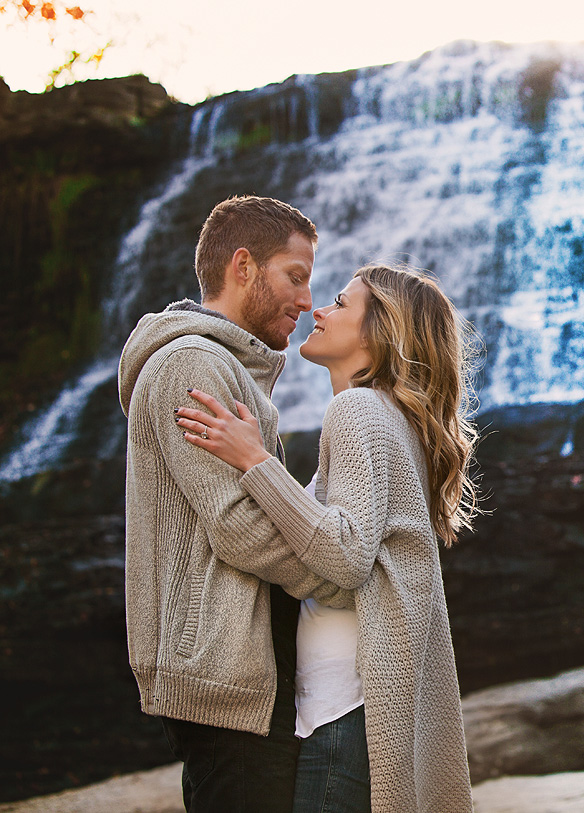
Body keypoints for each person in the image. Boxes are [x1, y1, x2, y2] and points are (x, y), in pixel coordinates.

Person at [173, 264, 479, 813]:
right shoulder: (392, 418)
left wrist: (254, 461)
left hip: (346, 712)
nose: (318, 310)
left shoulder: (357, 409)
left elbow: (344, 556)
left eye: (341, 303)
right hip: (360, 707)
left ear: (381, 331)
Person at [118, 195, 351, 813]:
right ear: (242, 266)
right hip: (223, 664)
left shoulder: (224, 365)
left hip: (243, 660)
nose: (307, 301)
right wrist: (342, 576)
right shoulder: (190, 363)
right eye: (295, 277)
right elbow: (239, 527)